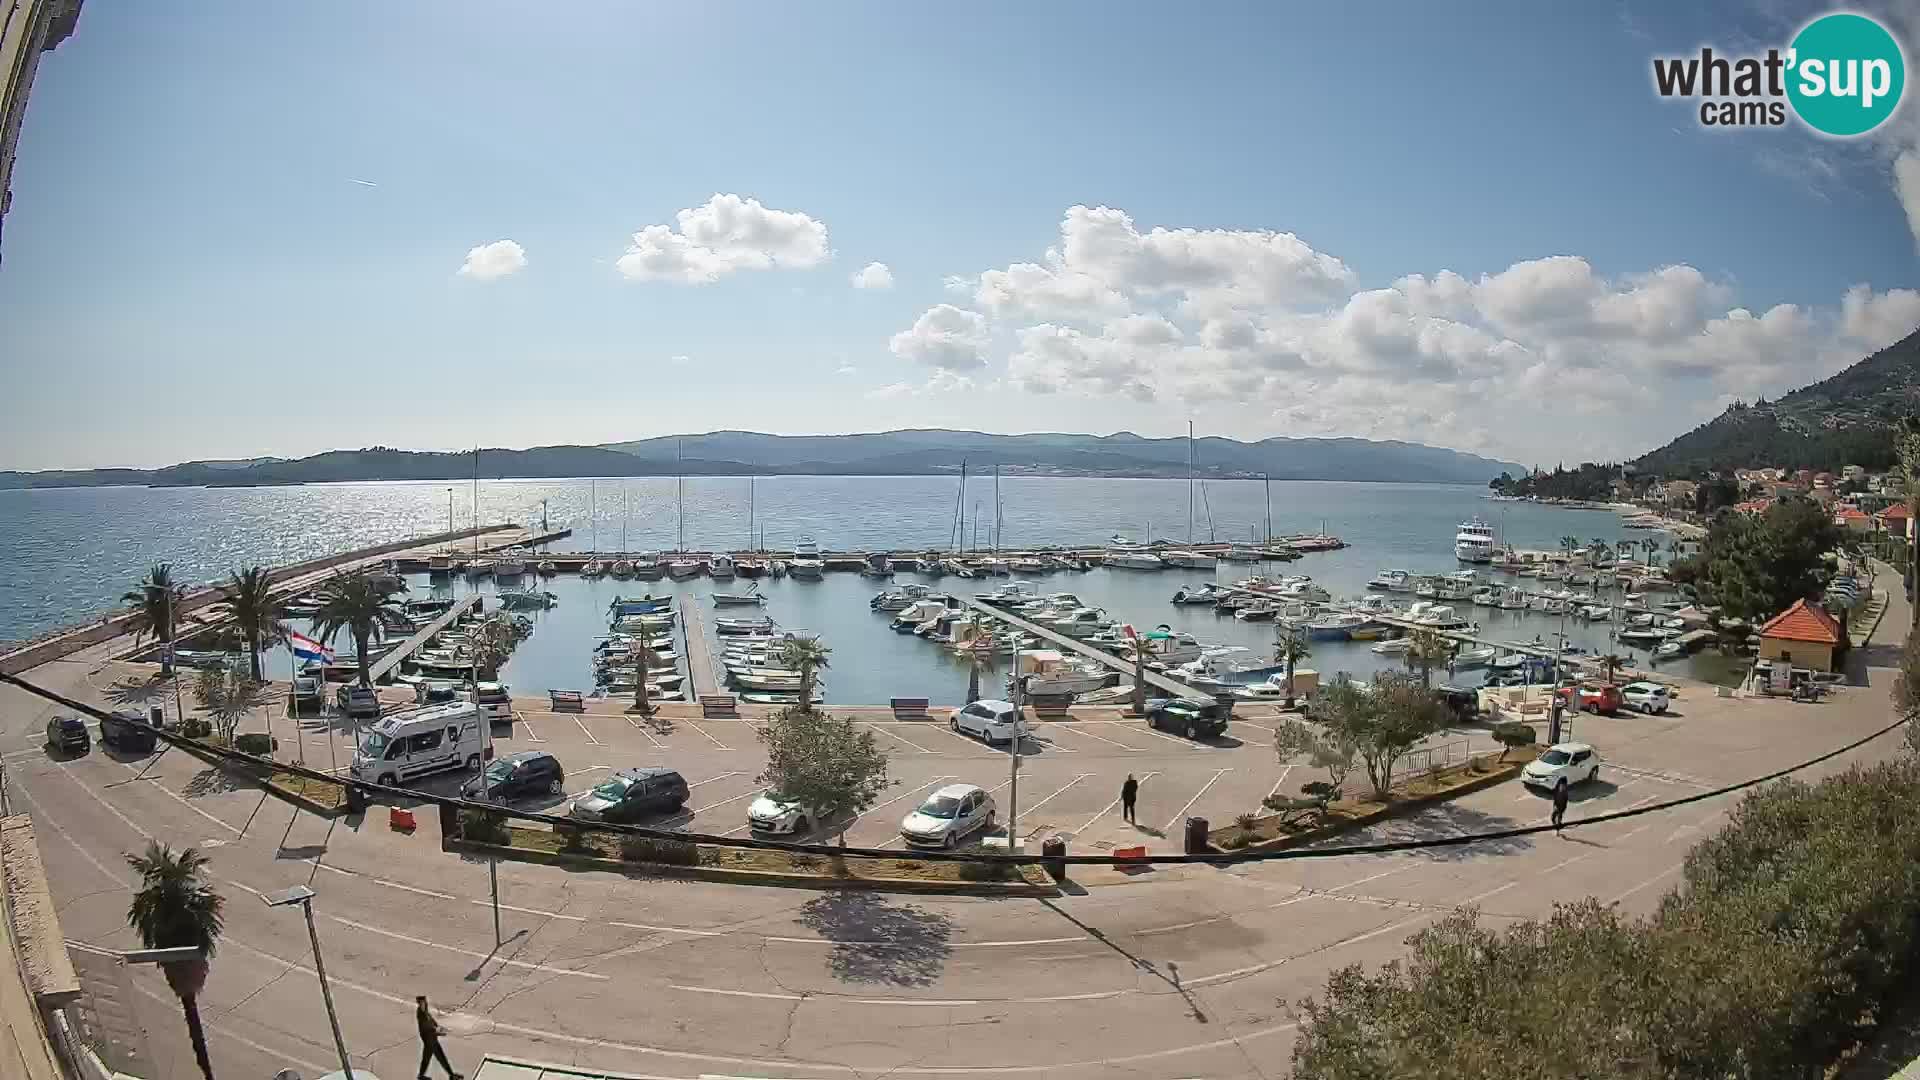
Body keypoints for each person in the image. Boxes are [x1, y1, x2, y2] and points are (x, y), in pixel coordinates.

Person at [417, 994, 461, 1080]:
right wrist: (439, 1032)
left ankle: (421, 1076)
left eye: (425, 1001)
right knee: (441, 1058)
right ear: (419, 1003)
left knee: (427, 1059)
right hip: (430, 1041)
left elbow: (433, 1023)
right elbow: (427, 1029)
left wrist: (440, 1028)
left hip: (431, 1040)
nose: (424, 1003)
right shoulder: (421, 1015)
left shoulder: (425, 1012)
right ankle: (452, 1075)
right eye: (422, 1002)